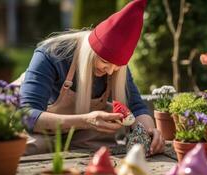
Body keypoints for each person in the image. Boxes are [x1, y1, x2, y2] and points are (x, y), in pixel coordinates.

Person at [17, 0, 165, 155]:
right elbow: (26, 115)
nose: (109, 72)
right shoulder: (51, 54)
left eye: (117, 67)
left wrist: (149, 132)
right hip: (44, 130)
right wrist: (85, 120)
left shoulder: (114, 67)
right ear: (90, 51)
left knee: (102, 148)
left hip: (85, 134)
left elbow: (137, 107)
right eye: (104, 62)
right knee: (31, 147)